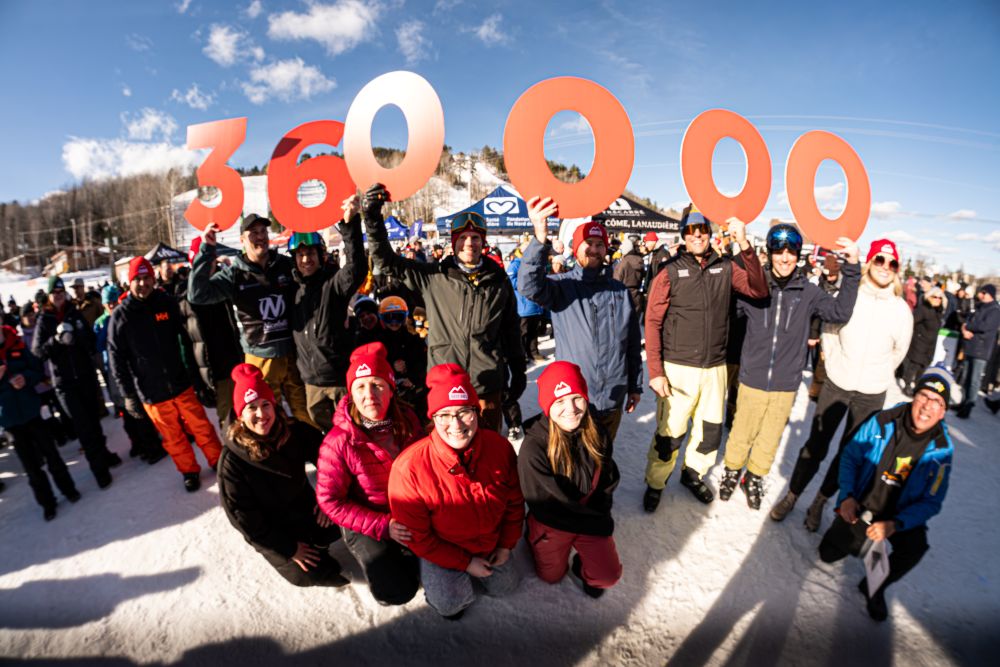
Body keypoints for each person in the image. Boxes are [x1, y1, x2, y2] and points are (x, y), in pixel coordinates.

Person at [771, 239, 913, 531]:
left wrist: (881, 373)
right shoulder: (851, 294)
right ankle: (793, 494)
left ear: (897, 270)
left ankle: (820, 502)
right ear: (869, 262)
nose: (886, 268)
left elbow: (900, 351)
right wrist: (835, 366)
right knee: (816, 444)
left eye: (892, 263)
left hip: (872, 393)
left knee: (850, 453)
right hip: (838, 382)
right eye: (880, 260)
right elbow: (830, 330)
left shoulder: (901, 310)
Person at [718, 225, 860, 510]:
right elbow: (726, 314)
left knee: (770, 437)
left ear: (798, 255)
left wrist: (853, 268)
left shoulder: (808, 292)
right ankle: (732, 470)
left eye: (790, 252)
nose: (785, 258)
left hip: (786, 382)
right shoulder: (754, 289)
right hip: (752, 377)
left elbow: (840, 312)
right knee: (742, 431)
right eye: (779, 252)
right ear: (769, 255)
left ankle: (754, 476)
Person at [363, 184, 525, 432]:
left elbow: (511, 329)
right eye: (462, 238)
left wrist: (518, 369)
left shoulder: (499, 281)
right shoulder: (434, 277)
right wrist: (373, 217)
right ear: (454, 243)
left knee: (487, 454)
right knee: (446, 458)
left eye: (475, 237)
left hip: (486, 387)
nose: (469, 243)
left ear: (483, 242)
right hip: (445, 386)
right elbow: (386, 261)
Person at [641, 205, 768, 510]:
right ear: (683, 235)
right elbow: (652, 321)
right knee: (669, 435)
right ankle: (656, 483)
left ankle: (692, 473)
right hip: (677, 368)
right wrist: (656, 371)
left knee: (709, 432)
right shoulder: (669, 271)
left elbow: (759, 290)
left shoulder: (725, 268)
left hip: (715, 368)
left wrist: (745, 246)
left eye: (702, 230)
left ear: (710, 234)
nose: (697, 235)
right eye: (690, 230)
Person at [388, 363, 524, 620]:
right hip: (443, 546)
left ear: (476, 411)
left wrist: (506, 545)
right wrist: (465, 563)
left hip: (489, 542)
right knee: (450, 604)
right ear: (433, 419)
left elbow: (514, 503)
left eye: (464, 412)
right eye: (445, 415)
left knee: (507, 587)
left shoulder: (500, 449)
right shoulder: (410, 468)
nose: (456, 424)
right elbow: (418, 537)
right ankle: (433, 573)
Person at [818, 366, 954, 622]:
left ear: (943, 411)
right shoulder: (883, 420)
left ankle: (876, 588)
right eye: (924, 396)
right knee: (827, 554)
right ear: (914, 396)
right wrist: (846, 496)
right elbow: (849, 457)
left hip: (899, 516)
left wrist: (895, 524)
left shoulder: (942, 451)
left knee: (916, 547)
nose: (927, 406)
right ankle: (858, 541)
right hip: (864, 504)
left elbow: (932, 502)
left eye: (936, 401)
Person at [519, 198, 642, 444]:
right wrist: (540, 239)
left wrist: (635, 386)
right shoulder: (563, 287)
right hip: (573, 402)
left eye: (599, 244)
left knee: (602, 460)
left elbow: (631, 345)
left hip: (612, 399)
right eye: (588, 243)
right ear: (576, 248)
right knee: (572, 467)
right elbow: (528, 285)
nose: (594, 249)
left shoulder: (620, 291)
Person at [218, 363, 347, 588]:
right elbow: (245, 521)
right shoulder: (232, 462)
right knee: (312, 574)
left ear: (274, 406)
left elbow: (329, 457)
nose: (261, 414)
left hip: (304, 508)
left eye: (265, 404)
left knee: (341, 517)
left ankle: (318, 544)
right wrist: (289, 548)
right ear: (240, 415)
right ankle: (313, 558)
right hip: (273, 530)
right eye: (251, 408)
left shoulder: (292, 430)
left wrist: (327, 496)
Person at [315, 343, 423, 605]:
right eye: (360, 386)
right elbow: (331, 501)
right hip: (367, 519)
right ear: (351, 393)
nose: (369, 394)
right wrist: (384, 526)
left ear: (391, 389)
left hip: (409, 510)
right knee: (397, 591)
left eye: (377, 384)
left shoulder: (407, 420)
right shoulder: (338, 441)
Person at [108, 257, 223, 492]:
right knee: (172, 437)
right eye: (137, 279)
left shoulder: (166, 303)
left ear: (153, 279)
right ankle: (189, 471)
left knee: (201, 426)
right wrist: (129, 396)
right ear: (129, 282)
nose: (143, 284)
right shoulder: (121, 316)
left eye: (146, 278)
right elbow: (116, 361)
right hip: (152, 392)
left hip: (181, 383)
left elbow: (190, 334)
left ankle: (218, 461)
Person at [189, 214, 314, 428]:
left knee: (304, 413)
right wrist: (207, 249)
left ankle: (312, 453)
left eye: (263, 232)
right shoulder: (234, 274)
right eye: (253, 233)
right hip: (259, 357)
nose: (260, 237)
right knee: (268, 418)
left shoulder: (285, 265)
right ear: (242, 240)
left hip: (293, 352)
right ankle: (281, 459)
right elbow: (197, 294)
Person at [518, 361, 622, 598]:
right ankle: (534, 537)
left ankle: (581, 564)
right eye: (560, 401)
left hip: (587, 514)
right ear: (547, 406)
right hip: (553, 523)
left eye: (576, 397)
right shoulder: (534, 448)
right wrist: (594, 525)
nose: (571, 408)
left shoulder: (597, 432)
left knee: (606, 577)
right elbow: (543, 506)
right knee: (551, 577)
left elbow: (607, 479)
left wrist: (601, 512)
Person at [32, 275, 119, 488]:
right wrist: (56, 340)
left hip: (85, 377)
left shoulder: (74, 312)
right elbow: (37, 352)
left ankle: (104, 454)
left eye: (61, 292)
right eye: (55, 293)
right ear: (50, 296)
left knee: (94, 421)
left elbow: (90, 341)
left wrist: (77, 335)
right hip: (65, 384)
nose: (59, 296)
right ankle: (99, 470)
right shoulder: (45, 319)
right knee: (83, 427)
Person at [289, 199, 366, 432]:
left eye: (310, 253)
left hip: (339, 380)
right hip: (311, 384)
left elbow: (357, 269)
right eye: (300, 254)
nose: (306, 259)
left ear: (321, 254)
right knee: (328, 438)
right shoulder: (291, 291)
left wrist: (350, 224)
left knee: (353, 433)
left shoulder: (333, 284)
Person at [0, 325, 80, 520]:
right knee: (31, 467)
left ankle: (69, 490)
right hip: (11, 420)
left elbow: (37, 369)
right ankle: (47, 503)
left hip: (33, 412)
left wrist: (25, 379)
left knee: (52, 455)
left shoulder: (15, 342)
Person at [94, 283, 166, 464]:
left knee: (138, 409)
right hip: (113, 372)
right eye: (107, 303)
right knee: (127, 411)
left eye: (113, 302)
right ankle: (139, 444)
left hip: (131, 369)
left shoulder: (126, 315)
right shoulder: (102, 322)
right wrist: (109, 324)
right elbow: (99, 345)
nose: (111, 306)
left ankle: (150, 444)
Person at [177, 238, 244, 427]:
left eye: (212, 260)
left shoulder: (225, 287)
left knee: (250, 416)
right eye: (204, 261)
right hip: (218, 374)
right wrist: (198, 383)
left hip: (239, 364)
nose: (210, 265)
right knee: (230, 423)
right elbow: (186, 348)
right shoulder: (185, 301)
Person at [955, 284, 1000, 418]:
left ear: (989, 294)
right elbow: (968, 319)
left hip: (981, 351)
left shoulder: (995, 310)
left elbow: (984, 326)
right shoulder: (979, 306)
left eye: (982, 292)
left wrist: (968, 327)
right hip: (970, 347)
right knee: (965, 377)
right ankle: (962, 402)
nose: (980, 295)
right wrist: (964, 329)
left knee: (974, 380)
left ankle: (968, 406)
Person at [899, 287, 945, 397]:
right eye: (935, 297)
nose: (937, 299)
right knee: (914, 365)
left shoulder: (938, 312)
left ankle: (917, 385)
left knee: (923, 366)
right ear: (929, 297)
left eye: (940, 298)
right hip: (919, 342)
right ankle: (907, 385)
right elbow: (911, 322)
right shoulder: (923, 309)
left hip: (930, 345)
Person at [613, 234, 646, 319]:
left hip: (624, 297)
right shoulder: (640, 261)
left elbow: (616, 282)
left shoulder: (623, 263)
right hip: (637, 296)